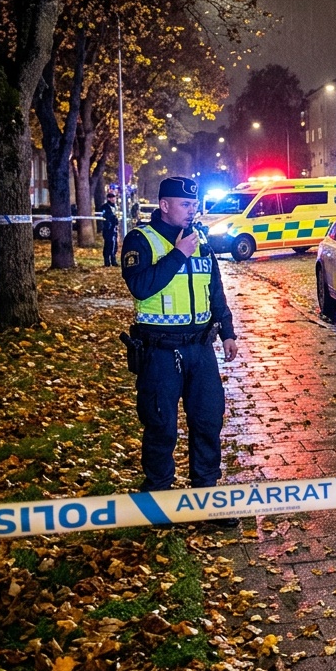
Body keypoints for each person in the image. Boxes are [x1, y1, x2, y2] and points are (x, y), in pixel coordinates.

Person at [121, 176, 240, 522]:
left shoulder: (199, 240)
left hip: (200, 349)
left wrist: (227, 332)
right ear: (165, 205)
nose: (193, 211)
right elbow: (141, 287)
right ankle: (158, 499)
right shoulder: (141, 240)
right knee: (161, 426)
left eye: (194, 204)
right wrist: (177, 254)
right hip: (159, 351)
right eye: (186, 205)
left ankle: (208, 498)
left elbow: (214, 289)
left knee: (207, 422)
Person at [100, 191, 120, 267]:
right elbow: (105, 216)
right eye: (111, 197)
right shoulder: (105, 207)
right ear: (108, 198)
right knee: (108, 244)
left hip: (114, 228)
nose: (113, 199)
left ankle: (113, 260)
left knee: (114, 245)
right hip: (108, 229)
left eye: (114, 197)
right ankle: (107, 261)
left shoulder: (115, 206)